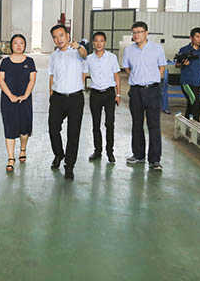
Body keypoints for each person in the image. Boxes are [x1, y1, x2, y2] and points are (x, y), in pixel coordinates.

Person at [121, 21, 167, 171]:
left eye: (139, 32)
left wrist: (151, 79)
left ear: (146, 33)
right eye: (134, 32)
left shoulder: (157, 49)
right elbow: (126, 68)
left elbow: (162, 67)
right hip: (136, 91)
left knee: (154, 125)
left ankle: (155, 160)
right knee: (137, 123)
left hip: (152, 90)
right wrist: (137, 77)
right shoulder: (129, 50)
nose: (136, 35)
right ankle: (138, 155)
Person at [48, 24, 87, 180]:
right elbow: (51, 75)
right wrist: (51, 93)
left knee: (73, 133)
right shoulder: (53, 56)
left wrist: (79, 47)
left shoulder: (77, 52)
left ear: (67, 35)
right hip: (57, 97)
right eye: (55, 37)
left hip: (75, 98)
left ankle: (69, 166)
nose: (59, 39)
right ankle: (59, 154)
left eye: (61, 35)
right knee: (53, 128)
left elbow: (85, 54)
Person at [0, 34, 37, 173]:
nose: (19, 46)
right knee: (9, 127)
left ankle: (23, 149)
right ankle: (10, 158)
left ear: (25, 45)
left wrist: (25, 95)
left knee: (24, 129)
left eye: (21, 43)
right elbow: (1, 80)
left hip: (25, 100)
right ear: (11, 45)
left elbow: (32, 80)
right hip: (8, 100)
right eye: (16, 43)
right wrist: (11, 96)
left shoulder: (30, 61)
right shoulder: (5, 62)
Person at [83, 31, 121, 163]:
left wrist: (118, 94)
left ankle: (110, 152)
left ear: (105, 42)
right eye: (96, 41)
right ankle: (97, 151)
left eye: (101, 41)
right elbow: (83, 74)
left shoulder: (112, 57)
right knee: (96, 124)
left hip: (109, 94)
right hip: (95, 94)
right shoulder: (89, 59)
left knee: (109, 123)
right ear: (93, 43)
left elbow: (116, 76)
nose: (99, 43)